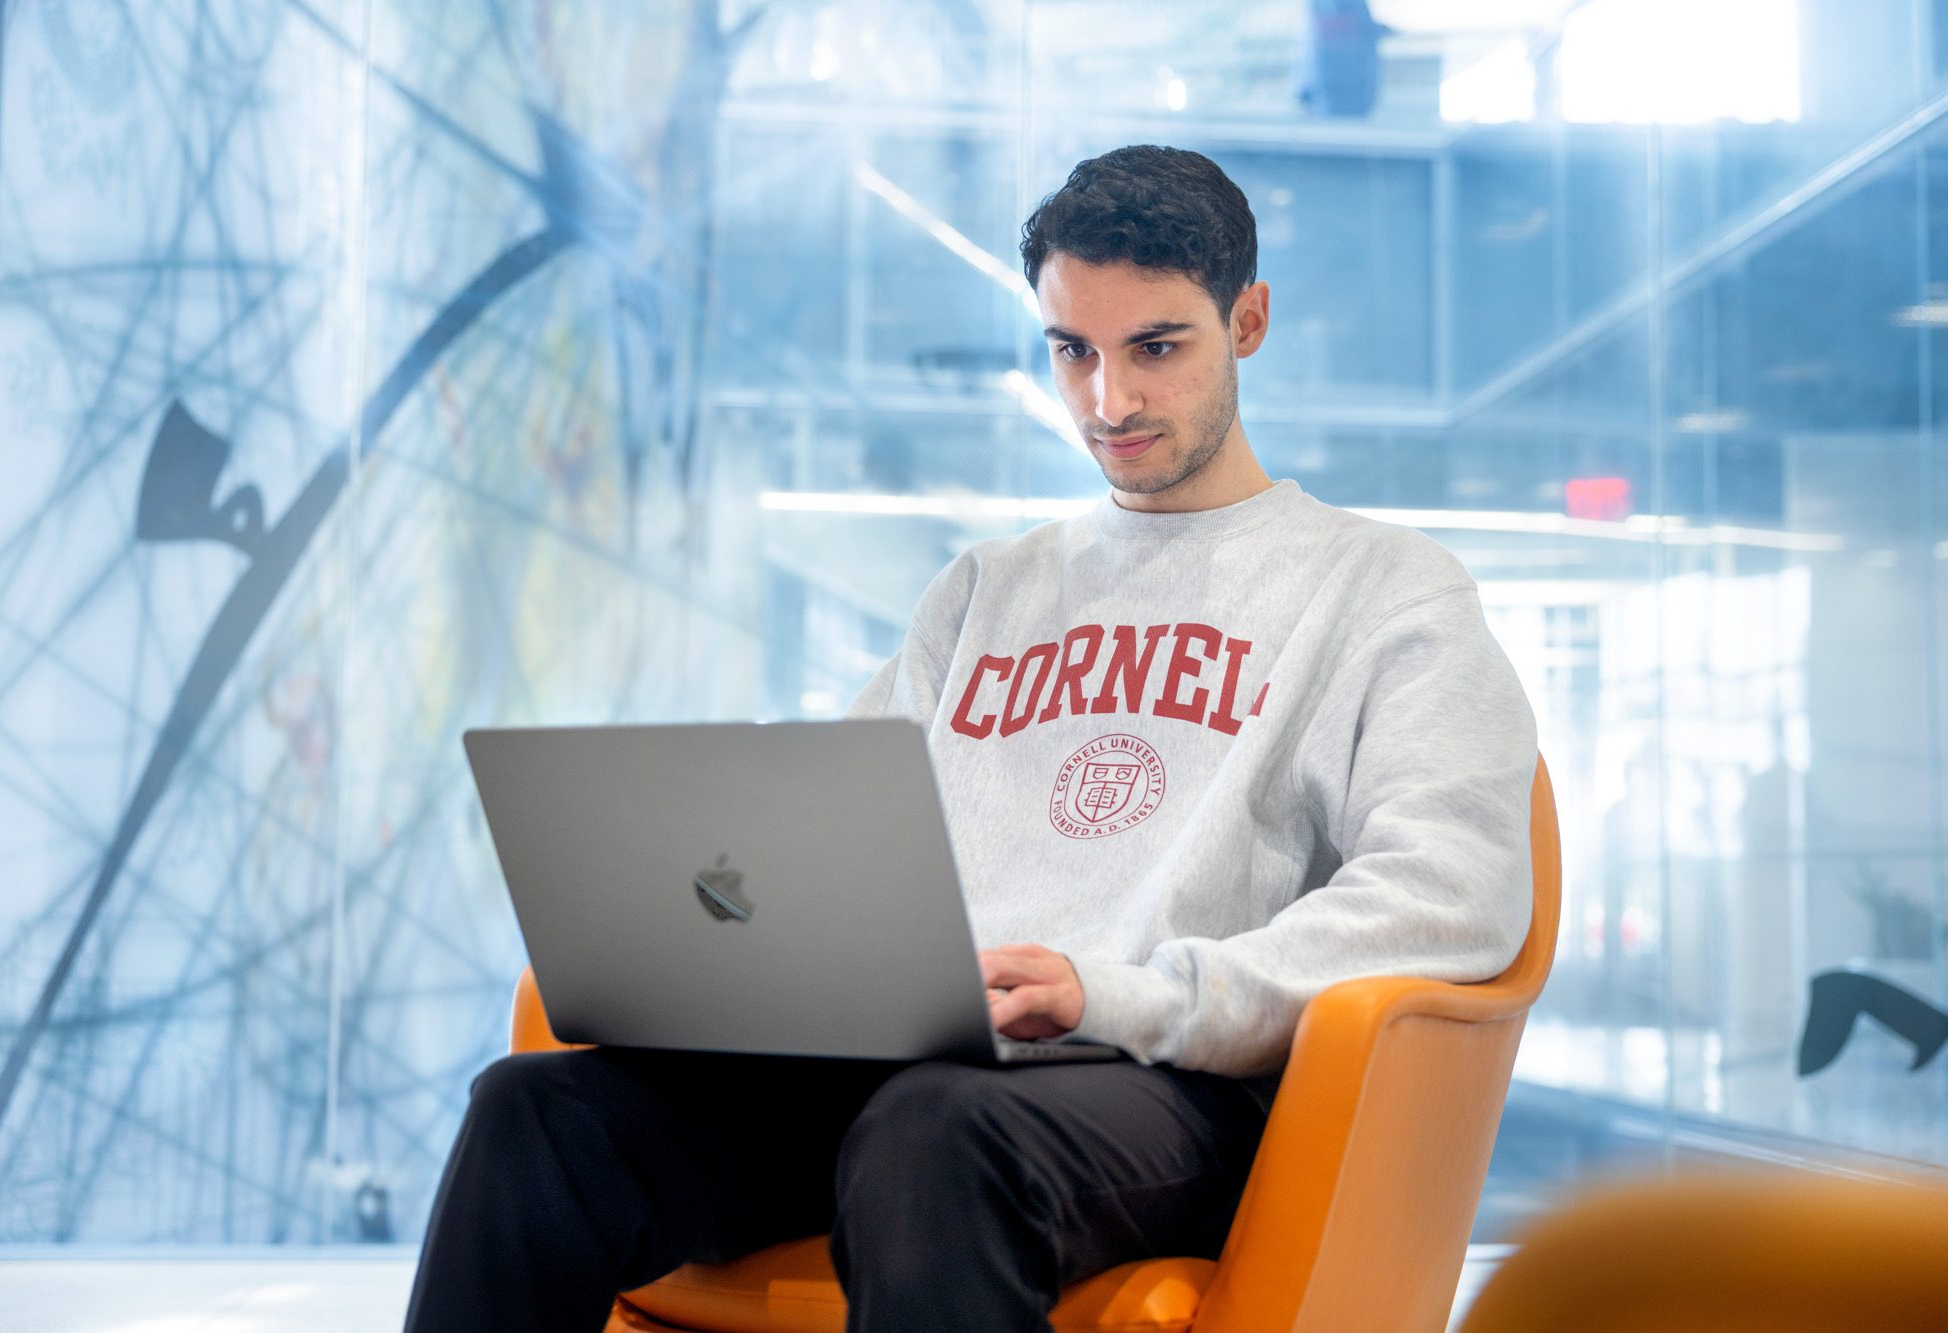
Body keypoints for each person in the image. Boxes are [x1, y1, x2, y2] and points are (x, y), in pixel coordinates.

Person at [403, 144, 1536, 1333]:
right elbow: (825, 839)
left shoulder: (1380, 589)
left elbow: (1449, 894)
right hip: (923, 1071)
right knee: (535, 1114)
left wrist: (1120, 993)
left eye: (1155, 348)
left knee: (934, 1129)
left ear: (1245, 322)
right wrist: (715, 936)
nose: (1107, 400)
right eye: (1071, 350)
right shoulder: (986, 590)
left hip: (1169, 1080)